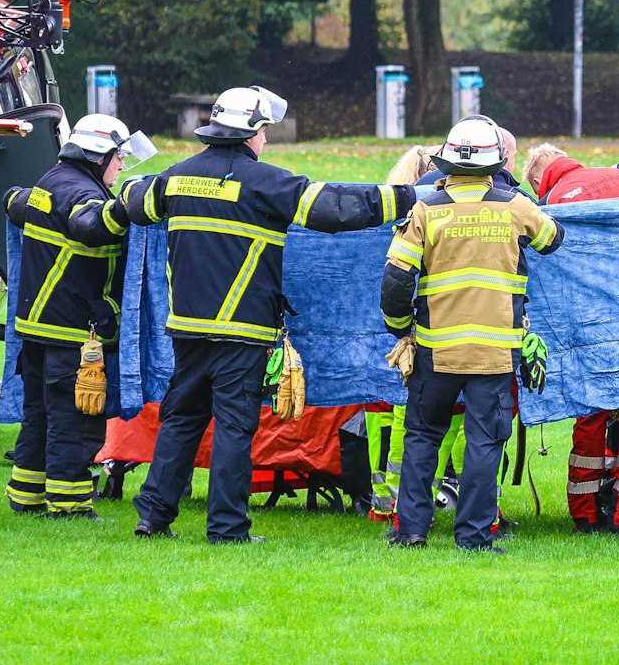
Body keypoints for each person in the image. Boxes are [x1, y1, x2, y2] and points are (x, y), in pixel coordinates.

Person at [122, 86, 413, 543]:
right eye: (265, 132)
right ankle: (227, 528)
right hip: (242, 330)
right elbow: (336, 209)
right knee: (235, 429)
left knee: (180, 420)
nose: (266, 141)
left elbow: (134, 203)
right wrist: (411, 197)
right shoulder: (265, 182)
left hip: (187, 328)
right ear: (252, 133)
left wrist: (129, 186)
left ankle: (153, 517)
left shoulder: (175, 178)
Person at [382, 116, 565, 553]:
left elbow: (395, 281)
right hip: (494, 353)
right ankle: (475, 537)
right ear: (495, 162)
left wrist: (400, 330)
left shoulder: (426, 209)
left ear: (446, 162)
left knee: (423, 437)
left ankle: (410, 532)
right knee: (485, 442)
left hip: (435, 351)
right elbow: (553, 239)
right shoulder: (515, 206)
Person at [3, 114, 137, 520]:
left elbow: (13, 201)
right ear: (99, 157)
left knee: (39, 416)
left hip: (38, 329)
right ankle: (70, 504)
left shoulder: (49, 183)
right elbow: (89, 224)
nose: (121, 167)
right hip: (71, 331)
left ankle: (26, 495)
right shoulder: (83, 196)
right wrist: (128, 208)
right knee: (74, 421)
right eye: (118, 159)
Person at [523, 144, 619, 534]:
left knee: (590, 410)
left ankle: (584, 513)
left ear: (538, 180)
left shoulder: (549, 202)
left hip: (586, 322)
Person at [366, 144, 467, 525]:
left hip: (385, 327)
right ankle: (416, 502)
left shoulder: (386, 209)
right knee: (433, 425)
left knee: (386, 418)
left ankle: (384, 502)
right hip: (427, 331)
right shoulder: (435, 207)